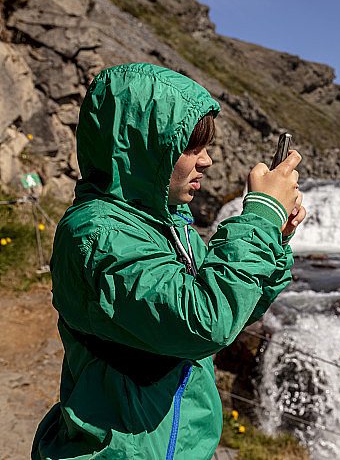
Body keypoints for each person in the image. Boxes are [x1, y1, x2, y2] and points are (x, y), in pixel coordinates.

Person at [31, 63, 305, 459]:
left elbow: (237, 309)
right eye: (190, 147)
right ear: (143, 146)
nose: (206, 161)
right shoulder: (97, 235)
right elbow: (207, 322)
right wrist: (260, 218)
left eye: (205, 148)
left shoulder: (173, 225)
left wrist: (273, 240)